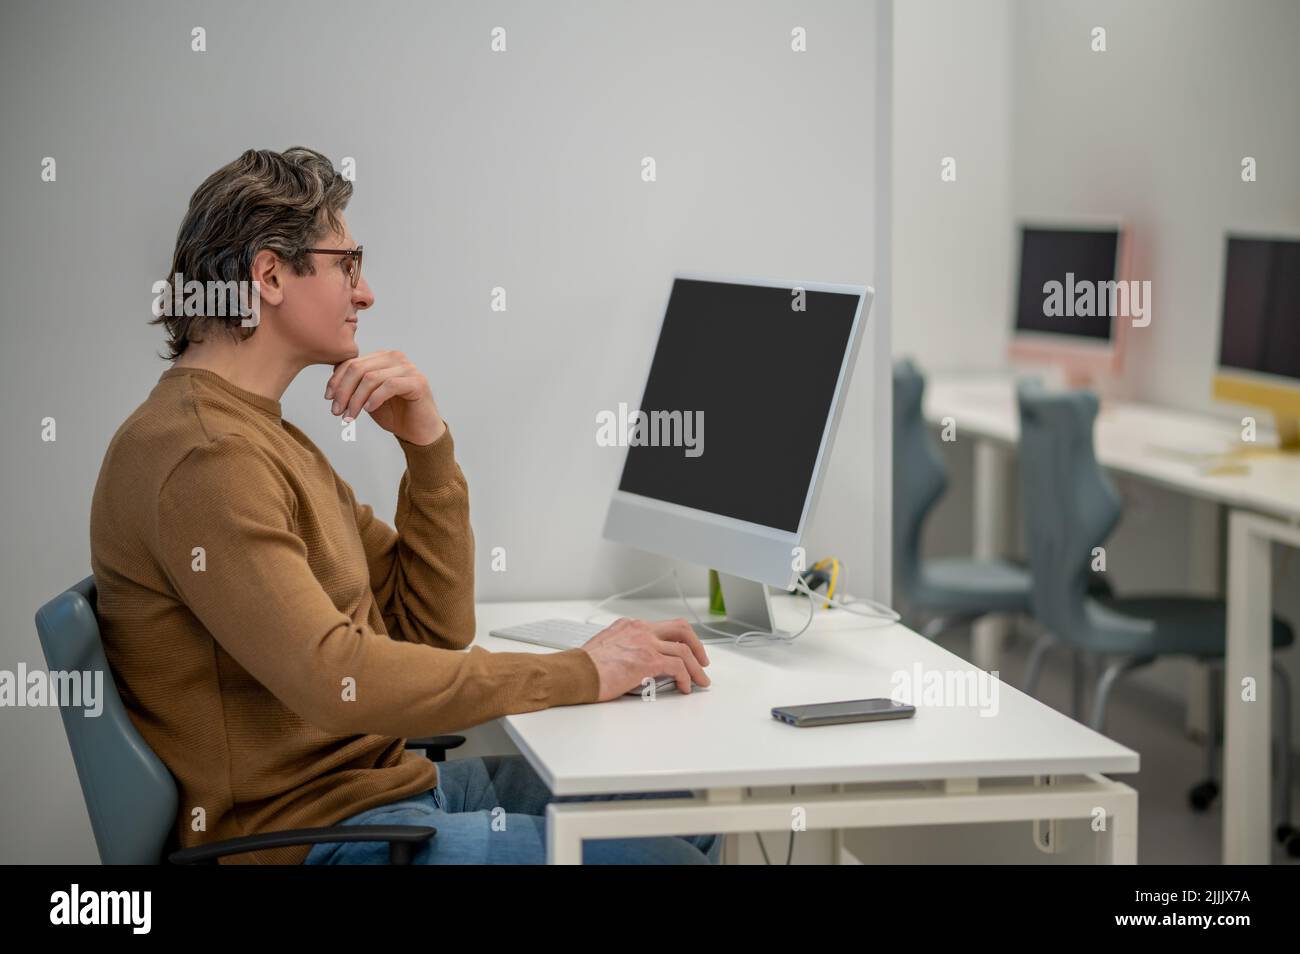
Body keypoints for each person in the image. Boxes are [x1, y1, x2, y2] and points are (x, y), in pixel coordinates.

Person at [89, 146, 717, 865]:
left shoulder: (265, 437)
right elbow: (334, 677)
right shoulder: (204, 458)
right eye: (347, 265)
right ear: (268, 275)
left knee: (672, 804)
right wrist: (582, 671)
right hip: (318, 841)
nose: (366, 293)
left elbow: (433, 626)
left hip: (387, 797)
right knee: (667, 860)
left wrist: (426, 445)